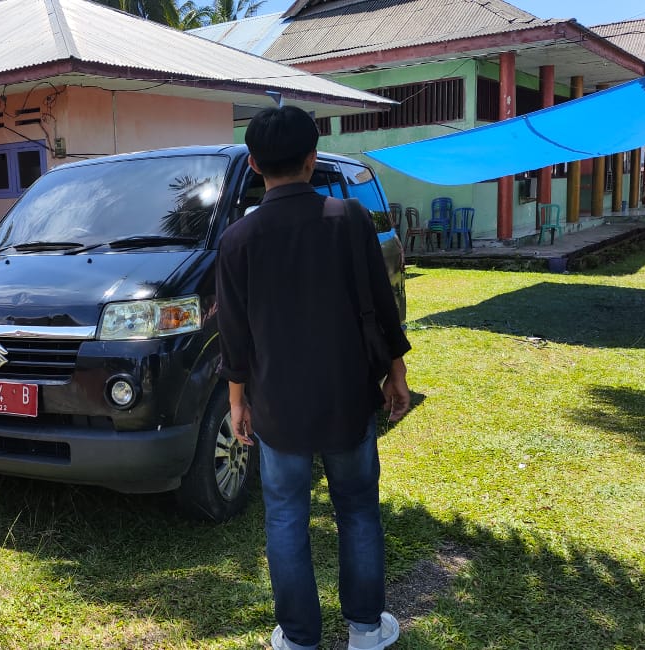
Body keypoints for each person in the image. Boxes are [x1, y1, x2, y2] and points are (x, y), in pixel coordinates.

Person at [215, 105, 411, 650]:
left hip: (278, 404)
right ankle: (366, 630)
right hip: (349, 396)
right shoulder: (347, 219)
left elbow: (235, 336)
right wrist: (396, 373)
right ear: (311, 158)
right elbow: (380, 304)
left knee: (284, 518)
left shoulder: (236, 241)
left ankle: (300, 637)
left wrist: (238, 401)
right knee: (358, 510)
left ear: (253, 164)